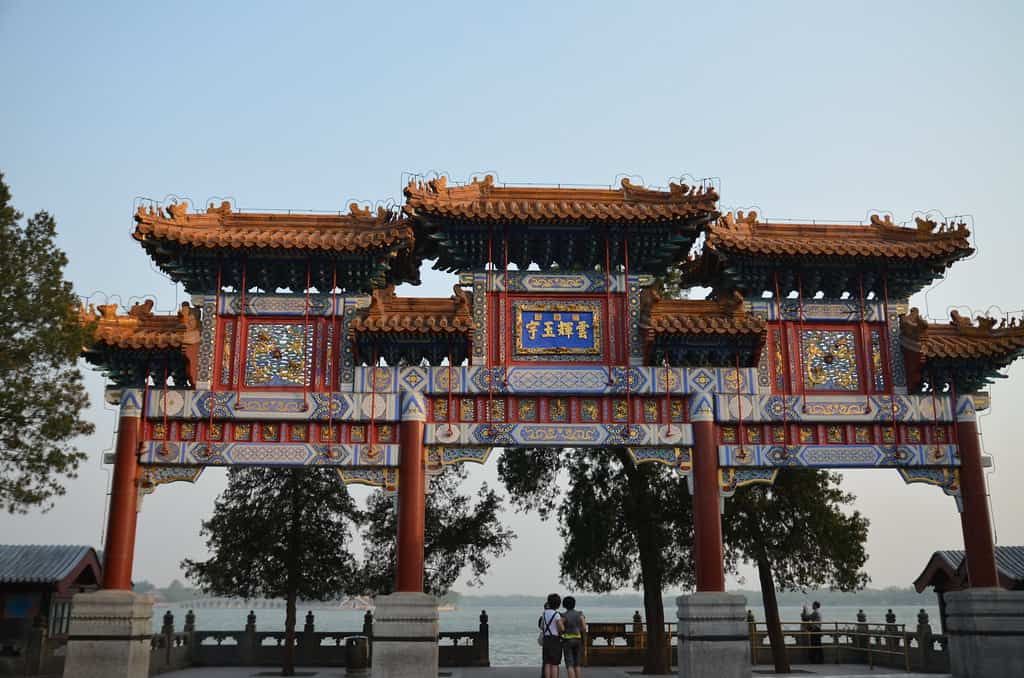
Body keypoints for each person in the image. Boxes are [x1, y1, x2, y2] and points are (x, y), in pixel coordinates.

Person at [539, 593, 564, 678]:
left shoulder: (544, 613)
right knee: (554, 664)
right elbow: (561, 628)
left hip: (546, 639)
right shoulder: (556, 614)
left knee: (547, 663)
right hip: (555, 640)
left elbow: (542, 626)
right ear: (558, 604)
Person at [561, 596, 587, 678]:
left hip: (567, 640)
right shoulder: (580, 614)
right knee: (577, 663)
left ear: (564, 605)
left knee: (569, 664)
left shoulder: (564, 615)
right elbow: (584, 627)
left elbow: (560, 627)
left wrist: (564, 632)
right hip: (578, 639)